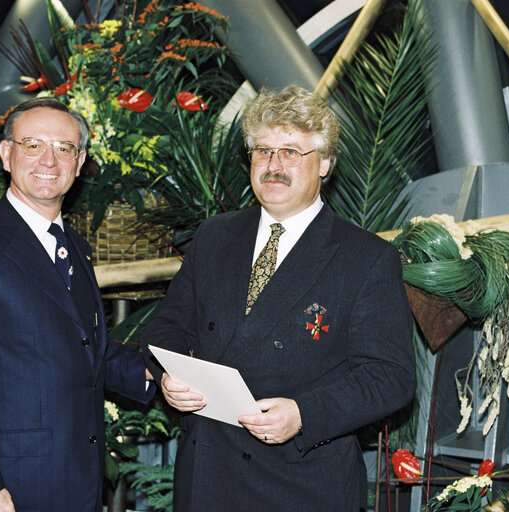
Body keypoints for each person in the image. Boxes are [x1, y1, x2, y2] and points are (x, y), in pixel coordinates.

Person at [141, 85, 416, 511]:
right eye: (263, 151)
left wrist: (305, 414)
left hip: (301, 482)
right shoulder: (215, 235)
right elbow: (166, 327)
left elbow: (391, 376)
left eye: (291, 152)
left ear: (325, 163)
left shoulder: (366, 257)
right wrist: (168, 377)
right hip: (208, 477)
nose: (273, 165)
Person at [0, 97, 154, 512]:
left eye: (64, 148)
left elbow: (85, 348)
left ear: (79, 163)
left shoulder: (75, 248)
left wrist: (160, 373)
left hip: (75, 483)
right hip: (3, 491)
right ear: (7, 154)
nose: (49, 160)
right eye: (33, 145)